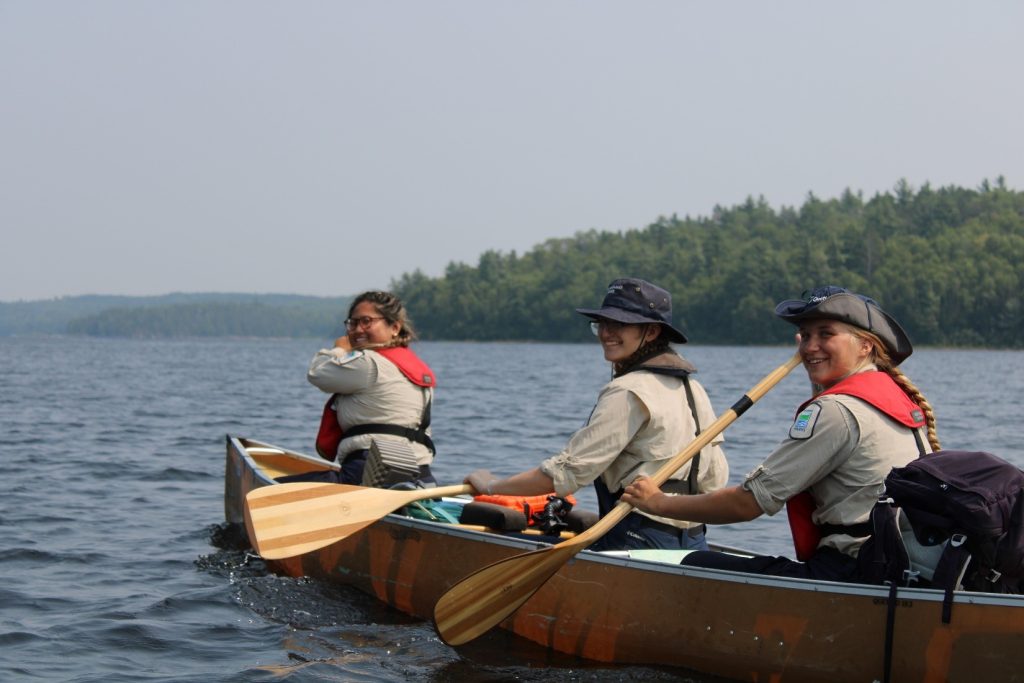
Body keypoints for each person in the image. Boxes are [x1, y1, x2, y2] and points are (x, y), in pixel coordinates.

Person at [620, 285, 941, 581]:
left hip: (853, 568)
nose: (811, 346)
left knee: (694, 564)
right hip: (899, 563)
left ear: (865, 345)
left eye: (826, 334)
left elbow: (748, 504)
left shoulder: (835, 412)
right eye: (806, 335)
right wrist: (820, 357)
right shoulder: (892, 395)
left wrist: (658, 502)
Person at [464, 277, 729, 551]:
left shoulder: (628, 390)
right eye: (602, 323)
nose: (606, 333)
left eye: (620, 324)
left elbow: (566, 474)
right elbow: (714, 479)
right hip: (695, 542)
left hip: (636, 541)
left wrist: (491, 487)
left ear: (651, 333)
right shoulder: (694, 389)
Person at [285, 290, 437, 486]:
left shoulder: (369, 363)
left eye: (366, 321)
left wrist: (339, 349)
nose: (357, 330)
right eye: (353, 323)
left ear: (395, 327)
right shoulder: (415, 367)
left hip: (370, 471)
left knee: (271, 488)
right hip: (421, 474)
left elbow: (317, 373)